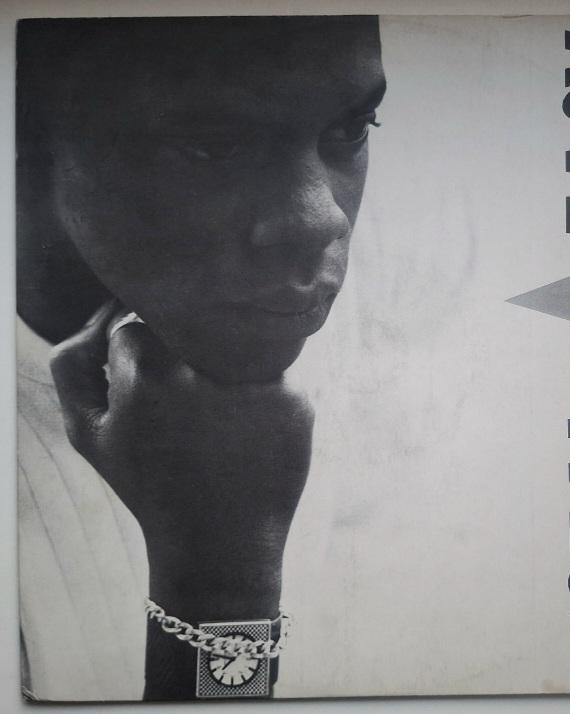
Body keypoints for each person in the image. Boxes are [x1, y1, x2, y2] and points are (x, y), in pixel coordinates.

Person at [17, 15, 386, 701]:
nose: (322, 220)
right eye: (214, 147)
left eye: (352, 128)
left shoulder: (418, 352)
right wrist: (221, 580)